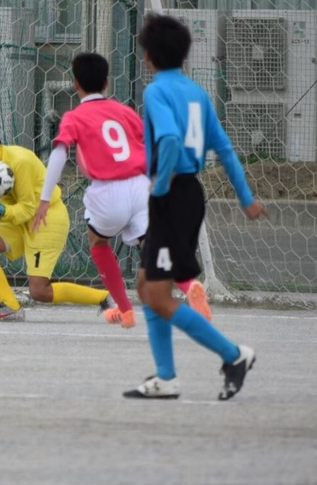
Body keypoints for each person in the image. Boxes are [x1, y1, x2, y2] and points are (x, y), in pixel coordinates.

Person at [126, 14, 268, 401]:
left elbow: (170, 140)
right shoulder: (197, 93)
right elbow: (225, 150)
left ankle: (234, 354)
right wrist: (246, 199)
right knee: (146, 285)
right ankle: (165, 377)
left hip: (172, 196)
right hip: (190, 193)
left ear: (148, 55)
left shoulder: (156, 92)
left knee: (157, 295)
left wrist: (160, 185)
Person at [32, 52, 212, 330]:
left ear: (75, 83)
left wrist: (45, 199)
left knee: (98, 242)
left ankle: (125, 310)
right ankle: (189, 286)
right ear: (107, 83)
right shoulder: (124, 111)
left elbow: (59, 153)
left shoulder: (74, 116)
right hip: (141, 187)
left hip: (107, 190)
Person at [0, 113, 112, 322]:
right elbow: (9, 213)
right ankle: (10, 307)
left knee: (39, 291)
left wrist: (1, 211)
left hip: (46, 220)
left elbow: (25, 209)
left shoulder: (20, 160)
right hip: (23, 221)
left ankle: (103, 297)